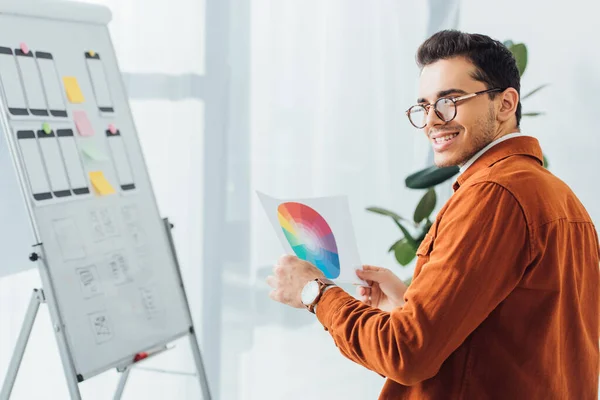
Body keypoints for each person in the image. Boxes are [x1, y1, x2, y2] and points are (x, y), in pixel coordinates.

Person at [266, 30, 600, 399]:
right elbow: (525, 339)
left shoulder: (494, 195)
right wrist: (409, 303)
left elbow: (406, 352)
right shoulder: (559, 197)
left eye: (450, 100)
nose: (432, 120)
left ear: (506, 104)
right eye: (424, 106)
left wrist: (316, 292)